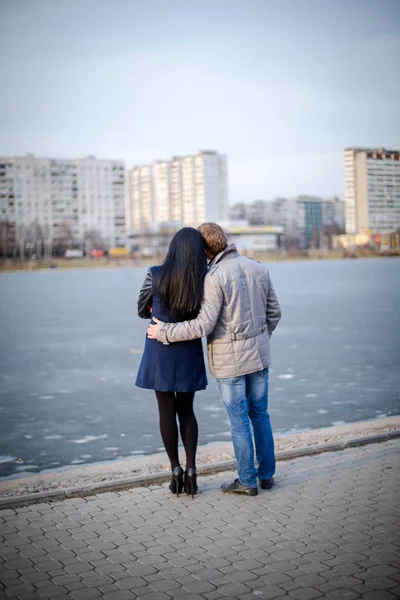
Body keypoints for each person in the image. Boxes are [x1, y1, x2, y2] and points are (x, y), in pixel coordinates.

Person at [148, 222, 281, 496]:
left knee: (239, 420)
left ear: (205, 248)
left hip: (230, 360)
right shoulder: (258, 267)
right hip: (260, 356)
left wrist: (164, 331)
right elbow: (274, 314)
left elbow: (202, 326)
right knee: (260, 414)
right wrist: (259, 338)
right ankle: (266, 475)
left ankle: (246, 480)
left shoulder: (214, 277)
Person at [136, 227, 208, 497]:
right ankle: (192, 470)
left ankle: (175, 470)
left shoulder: (155, 274)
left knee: (165, 411)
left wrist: (154, 309)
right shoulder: (203, 279)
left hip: (160, 350)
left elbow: (141, 308)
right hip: (188, 349)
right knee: (187, 410)